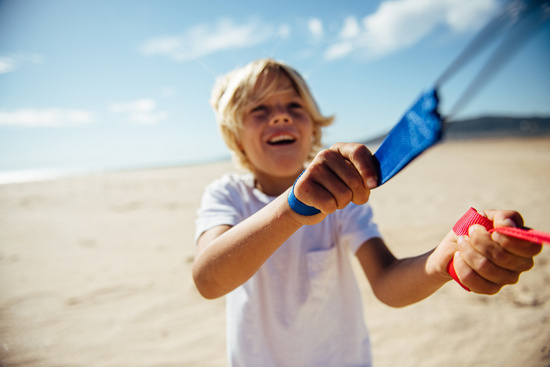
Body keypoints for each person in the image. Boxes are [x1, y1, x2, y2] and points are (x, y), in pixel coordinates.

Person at [192, 58, 542, 367]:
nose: (280, 114)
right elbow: (209, 280)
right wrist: (292, 209)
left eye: (293, 106)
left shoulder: (340, 198)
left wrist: (444, 259)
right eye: (259, 110)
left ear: (313, 127)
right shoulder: (228, 195)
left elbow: (387, 282)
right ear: (236, 138)